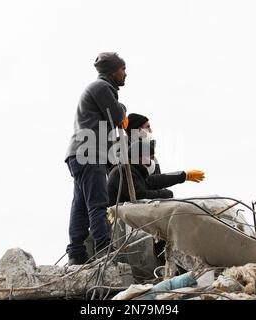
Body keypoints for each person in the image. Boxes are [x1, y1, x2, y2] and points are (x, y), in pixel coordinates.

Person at [64, 52, 127, 265]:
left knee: (81, 205)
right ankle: (104, 251)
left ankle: (76, 254)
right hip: (90, 153)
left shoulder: (97, 88)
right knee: (98, 204)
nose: (125, 73)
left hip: (80, 153)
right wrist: (124, 110)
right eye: (123, 69)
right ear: (112, 71)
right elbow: (117, 116)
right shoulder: (103, 88)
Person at [107, 139, 205, 205]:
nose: (153, 160)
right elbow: (139, 196)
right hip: (118, 224)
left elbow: (155, 181)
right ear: (140, 158)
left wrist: (184, 175)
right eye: (151, 157)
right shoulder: (123, 171)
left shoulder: (135, 171)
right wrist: (165, 194)